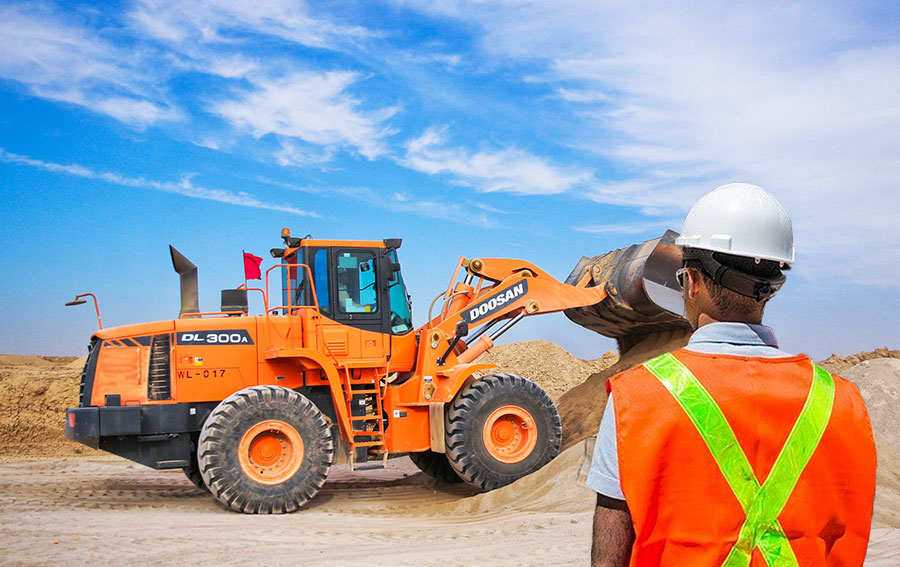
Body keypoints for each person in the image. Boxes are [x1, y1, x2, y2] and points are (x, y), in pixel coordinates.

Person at [587, 183, 876, 567]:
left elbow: (610, 556)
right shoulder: (843, 403)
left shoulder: (635, 398)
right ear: (772, 289)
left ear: (690, 282)